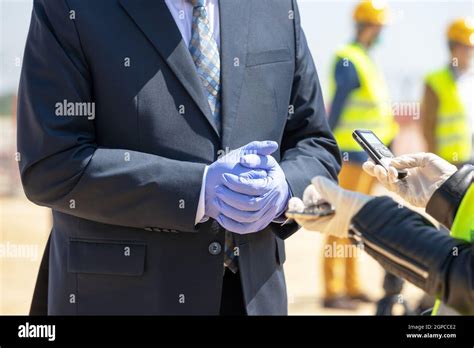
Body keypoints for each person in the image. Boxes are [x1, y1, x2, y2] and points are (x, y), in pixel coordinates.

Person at [18, 0, 341, 315]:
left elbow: (315, 143)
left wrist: (284, 189)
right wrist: (195, 191)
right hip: (123, 298)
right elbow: (51, 166)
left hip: (252, 297)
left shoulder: (275, 6)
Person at [288, 152, 474, 314]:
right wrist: (455, 192)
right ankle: (335, 289)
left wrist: (368, 218)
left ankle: (346, 287)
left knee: (342, 212)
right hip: (351, 156)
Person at [322, 0, 397, 309]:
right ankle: (332, 291)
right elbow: (336, 109)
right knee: (338, 223)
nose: (382, 32)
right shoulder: (348, 59)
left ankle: (351, 286)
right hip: (350, 157)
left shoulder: (366, 59)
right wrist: (324, 146)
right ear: (369, 25)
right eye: (379, 26)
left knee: (356, 226)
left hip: (369, 159)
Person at [421, 18, 474, 166]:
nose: (470, 52)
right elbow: (428, 125)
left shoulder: (471, 80)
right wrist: (434, 162)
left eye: (471, 47)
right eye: (465, 47)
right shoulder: (435, 80)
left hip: (470, 158)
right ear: (453, 47)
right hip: (446, 161)